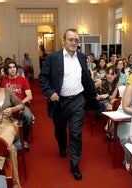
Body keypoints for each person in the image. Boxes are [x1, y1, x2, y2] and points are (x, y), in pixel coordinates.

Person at [39, 28, 97, 180]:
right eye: (71, 39)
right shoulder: (53, 57)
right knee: (60, 130)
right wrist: (50, 92)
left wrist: (94, 96)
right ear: (63, 41)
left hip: (78, 100)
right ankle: (61, 145)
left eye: (76, 40)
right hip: (60, 101)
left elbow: (86, 79)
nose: (74, 42)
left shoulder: (82, 57)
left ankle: (75, 164)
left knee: (75, 133)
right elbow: (43, 78)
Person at [1, 59, 33, 150]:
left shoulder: (22, 80)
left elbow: (29, 96)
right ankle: (9, 140)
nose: (12, 69)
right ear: (7, 69)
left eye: (14, 67)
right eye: (10, 67)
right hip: (7, 106)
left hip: (21, 105)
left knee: (28, 117)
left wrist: (18, 105)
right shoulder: (3, 81)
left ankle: (25, 139)